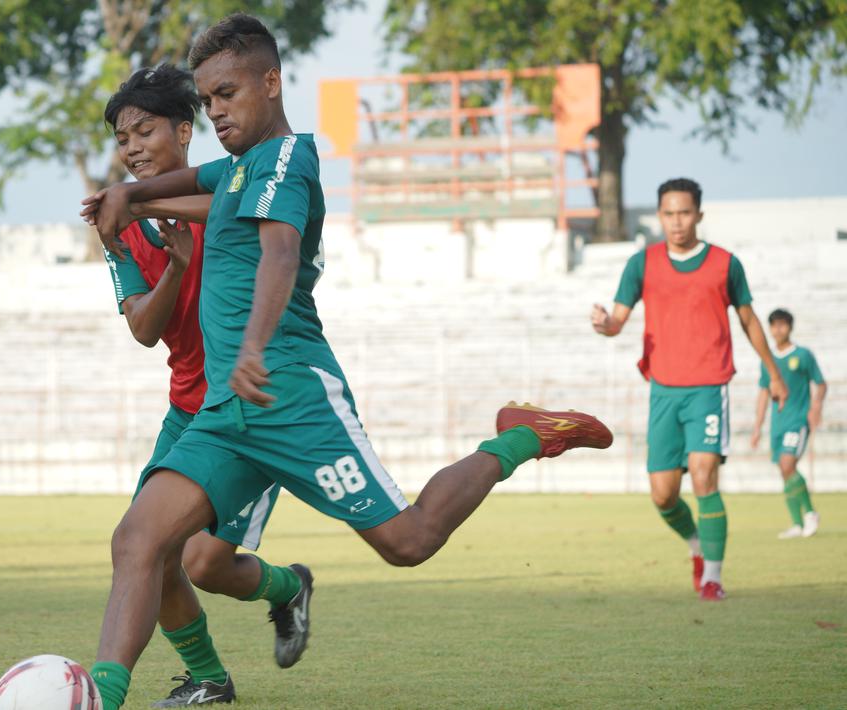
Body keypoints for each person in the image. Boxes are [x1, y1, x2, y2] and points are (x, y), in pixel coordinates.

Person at [80, 15, 613, 709]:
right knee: (137, 540)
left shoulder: (287, 160)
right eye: (207, 100)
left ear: (272, 84)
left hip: (287, 392)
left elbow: (279, 253)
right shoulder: (238, 168)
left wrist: (250, 345)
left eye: (227, 94)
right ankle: (99, 698)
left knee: (408, 541)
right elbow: (197, 181)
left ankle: (521, 435)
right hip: (223, 410)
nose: (215, 111)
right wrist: (128, 194)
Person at [100, 64, 307, 707]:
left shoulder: (233, 183)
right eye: (122, 138)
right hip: (187, 410)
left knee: (204, 563)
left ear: (184, 132)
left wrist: (144, 204)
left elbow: (241, 216)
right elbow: (142, 328)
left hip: (247, 405)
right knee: (149, 548)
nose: (133, 148)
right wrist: (175, 267)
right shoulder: (122, 227)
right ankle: (209, 678)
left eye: (145, 131)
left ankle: (287, 587)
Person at [591, 177, 788, 601]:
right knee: (663, 495)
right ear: (659, 216)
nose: (676, 222)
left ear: (699, 214)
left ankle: (713, 577)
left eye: (684, 213)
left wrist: (773, 372)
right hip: (663, 390)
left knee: (703, 476)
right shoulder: (642, 264)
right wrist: (604, 324)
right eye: (669, 214)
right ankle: (696, 544)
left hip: (708, 387)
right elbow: (618, 321)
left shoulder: (725, 264)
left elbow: (749, 319)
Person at [750, 308, 825, 538]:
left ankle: (810, 513)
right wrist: (757, 427)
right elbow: (764, 393)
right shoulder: (768, 360)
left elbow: (820, 384)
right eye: (774, 325)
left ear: (790, 327)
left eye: (782, 325)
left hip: (797, 421)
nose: (778, 329)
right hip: (778, 424)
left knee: (787, 465)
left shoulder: (803, 355)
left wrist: (816, 407)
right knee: (784, 472)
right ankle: (797, 524)